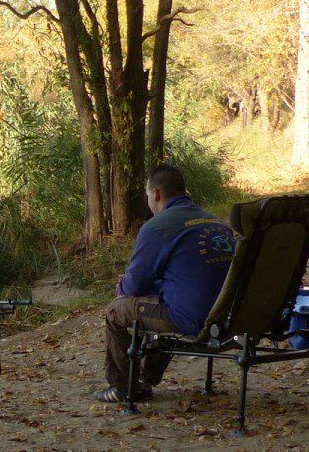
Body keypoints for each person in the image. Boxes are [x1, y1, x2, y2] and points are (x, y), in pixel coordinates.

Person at [95, 166, 234, 404]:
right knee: (156, 299)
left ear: (156, 194)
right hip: (227, 317)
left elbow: (135, 284)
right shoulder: (215, 222)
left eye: (148, 195)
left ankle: (123, 387)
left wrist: (122, 288)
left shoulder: (157, 227)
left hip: (191, 319)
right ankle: (145, 379)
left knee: (116, 311)